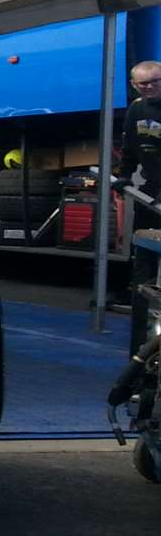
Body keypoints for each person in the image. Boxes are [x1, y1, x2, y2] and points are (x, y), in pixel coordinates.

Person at [115, 60, 161, 348]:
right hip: (150, 194)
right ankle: (140, 352)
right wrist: (122, 176)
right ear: (134, 85)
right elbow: (130, 146)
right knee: (143, 265)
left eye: (155, 81)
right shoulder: (136, 109)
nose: (149, 87)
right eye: (143, 83)